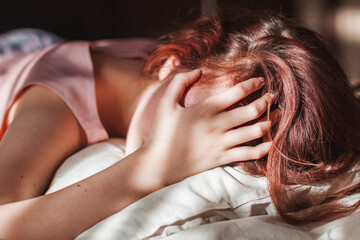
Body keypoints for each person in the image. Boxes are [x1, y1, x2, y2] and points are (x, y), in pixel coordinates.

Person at [0, 8, 358, 238]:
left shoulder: (203, 64)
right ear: (172, 64)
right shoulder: (56, 102)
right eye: (203, 119)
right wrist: (152, 165)